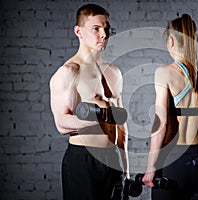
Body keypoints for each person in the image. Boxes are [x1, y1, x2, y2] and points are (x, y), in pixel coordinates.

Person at [49, 4, 129, 200]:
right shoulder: (69, 72)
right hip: (84, 158)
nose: (104, 34)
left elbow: (121, 126)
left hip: (113, 158)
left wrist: (126, 168)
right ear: (79, 31)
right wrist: (99, 119)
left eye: (106, 28)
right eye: (96, 29)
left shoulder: (114, 72)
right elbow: (61, 124)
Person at [142, 14, 198, 200]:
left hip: (172, 164)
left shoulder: (164, 73)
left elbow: (160, 124)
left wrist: (150, 169)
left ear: (170, 40)